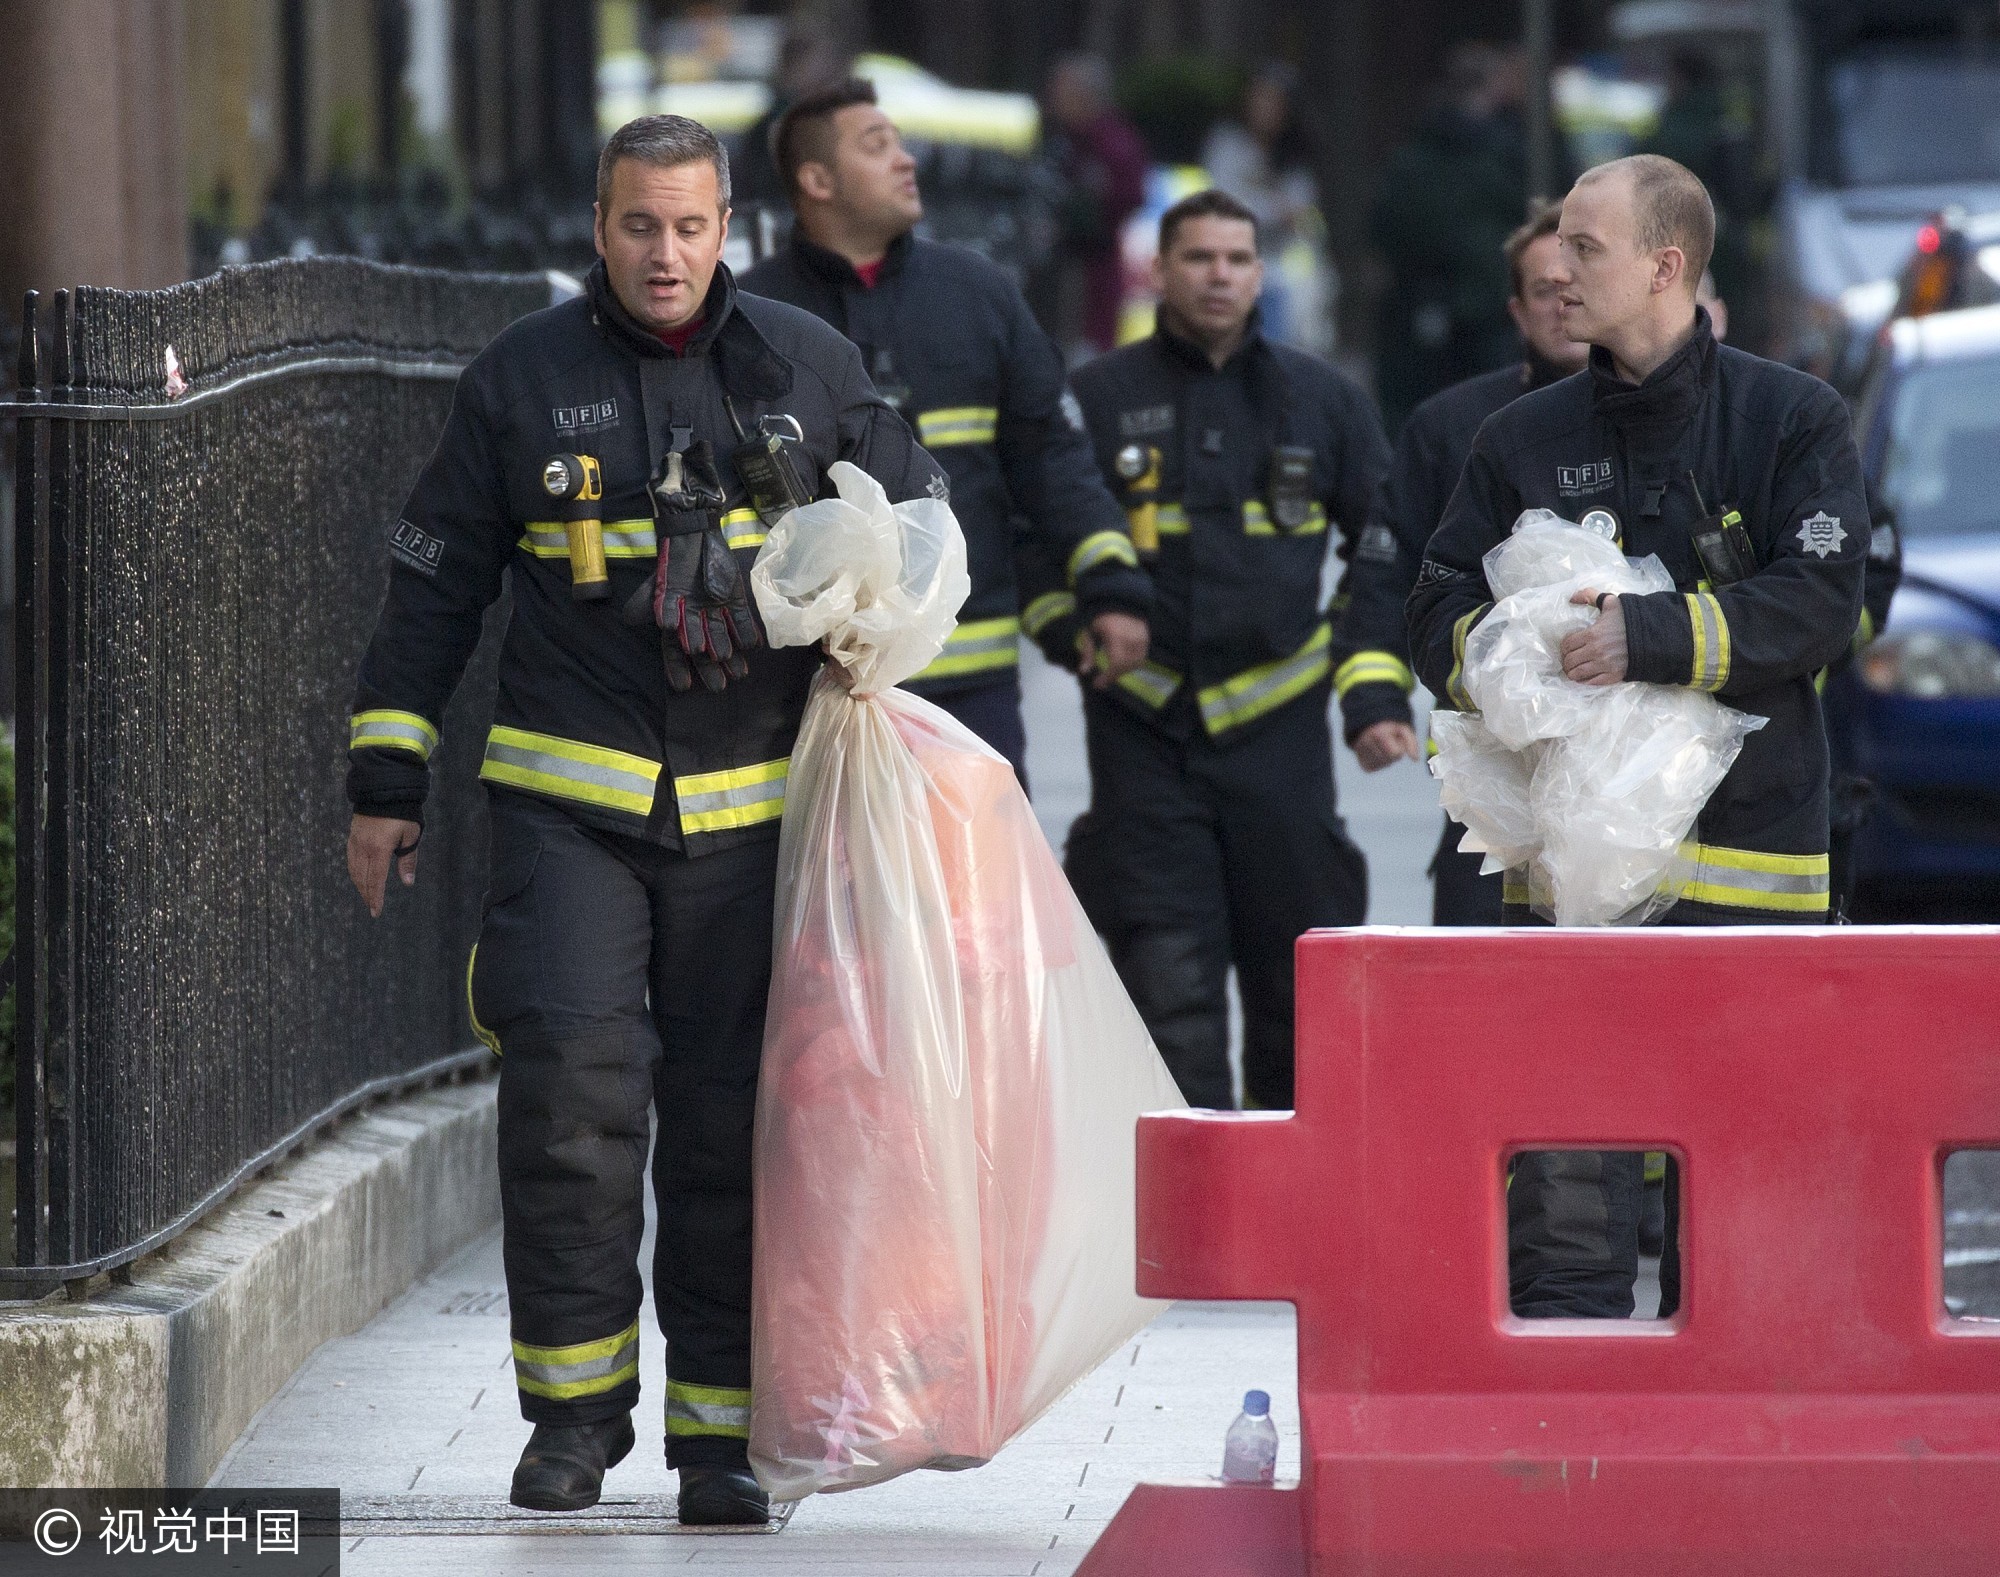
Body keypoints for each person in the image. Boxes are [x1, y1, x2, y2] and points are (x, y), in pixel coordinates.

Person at [343, 115, 944, 1526]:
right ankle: (570, 1419)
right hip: (569, 808)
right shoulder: (518, 378)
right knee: (571, 1107)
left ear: (727, 222)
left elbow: (921, 530)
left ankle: (721, 1438)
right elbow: (432, 589)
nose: (663, 256)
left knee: (737, 1130)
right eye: (635, 228)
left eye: (687, 227)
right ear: (596, 226)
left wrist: (877, 624)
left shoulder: (814, 368)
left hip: (755, 821)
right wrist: (387, 779)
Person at [1407, 154, 1870, 1320]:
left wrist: (1646, 636)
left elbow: (1818, 603)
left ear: (1664, 266)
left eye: (1584, 246)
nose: (1555, 268)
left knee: (1746, 1172)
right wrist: (1511, 657)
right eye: (1556, 243)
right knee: (1567, 1171)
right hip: (1572, 881)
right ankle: (1564, 1436)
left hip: (1750, 867)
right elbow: (1430, 606)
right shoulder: (1518, 437)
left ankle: (1742, 1447)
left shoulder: (1788, 419)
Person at [1055, 189, 1390, 1111]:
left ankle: (1290, 1216)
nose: (1220, 276)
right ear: (1157, 273)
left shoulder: (1323, 401)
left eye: (1239, 259)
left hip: (1280, 743)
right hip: (1140, 734)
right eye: (1199, 258)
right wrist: (1074, 632)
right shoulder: (1095, 400)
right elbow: (1037, 540)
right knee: (1168, 994)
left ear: (1260, 271)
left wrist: (1369, 689)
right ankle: (1192, 1229)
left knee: (1296, 993)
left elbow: (1387, 554)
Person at [740, 77, 1152, 780]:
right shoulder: (753, 317)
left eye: (901, 143)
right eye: (878, 146)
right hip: (804, 697)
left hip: (971, 695)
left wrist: (1110, 586)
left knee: (976, 890)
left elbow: (1052, 458)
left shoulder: (979, 293)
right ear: (816, 180)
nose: (907, 161)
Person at [1334, 199, 1589, 926]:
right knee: (1480, 984)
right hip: (1491, 764)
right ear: (1517, 309)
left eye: (1577, 283)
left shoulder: (1663, 419)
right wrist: (1374, 700)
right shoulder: (1454, 429)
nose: (1564, 302)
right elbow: (1388, 573)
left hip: (1639, 769)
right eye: (1545, 290)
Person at [1370, 42, 1532, 436]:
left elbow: (1384, 230)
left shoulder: (1410, 157)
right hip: (1492, 313)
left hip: (1420, 312)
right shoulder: (1511, 156)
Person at [1200, 64, 1331, 352]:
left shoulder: (1295, 156)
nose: (1265, 108)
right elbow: (1226, 202)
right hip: (1230, 268)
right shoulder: (1227, 146)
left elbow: (1302, 210)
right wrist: (1273, 210)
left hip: (1278, 272)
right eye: (1259, 98)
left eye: (1275, 101)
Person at [1045, 53, 1149, 355]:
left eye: (1063, 91)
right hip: (1057, 272)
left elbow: (1130, 195)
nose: (1055, 99)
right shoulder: (1060, 137)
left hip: (1093, 270)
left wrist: (1087, 205)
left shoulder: (1113, 141)